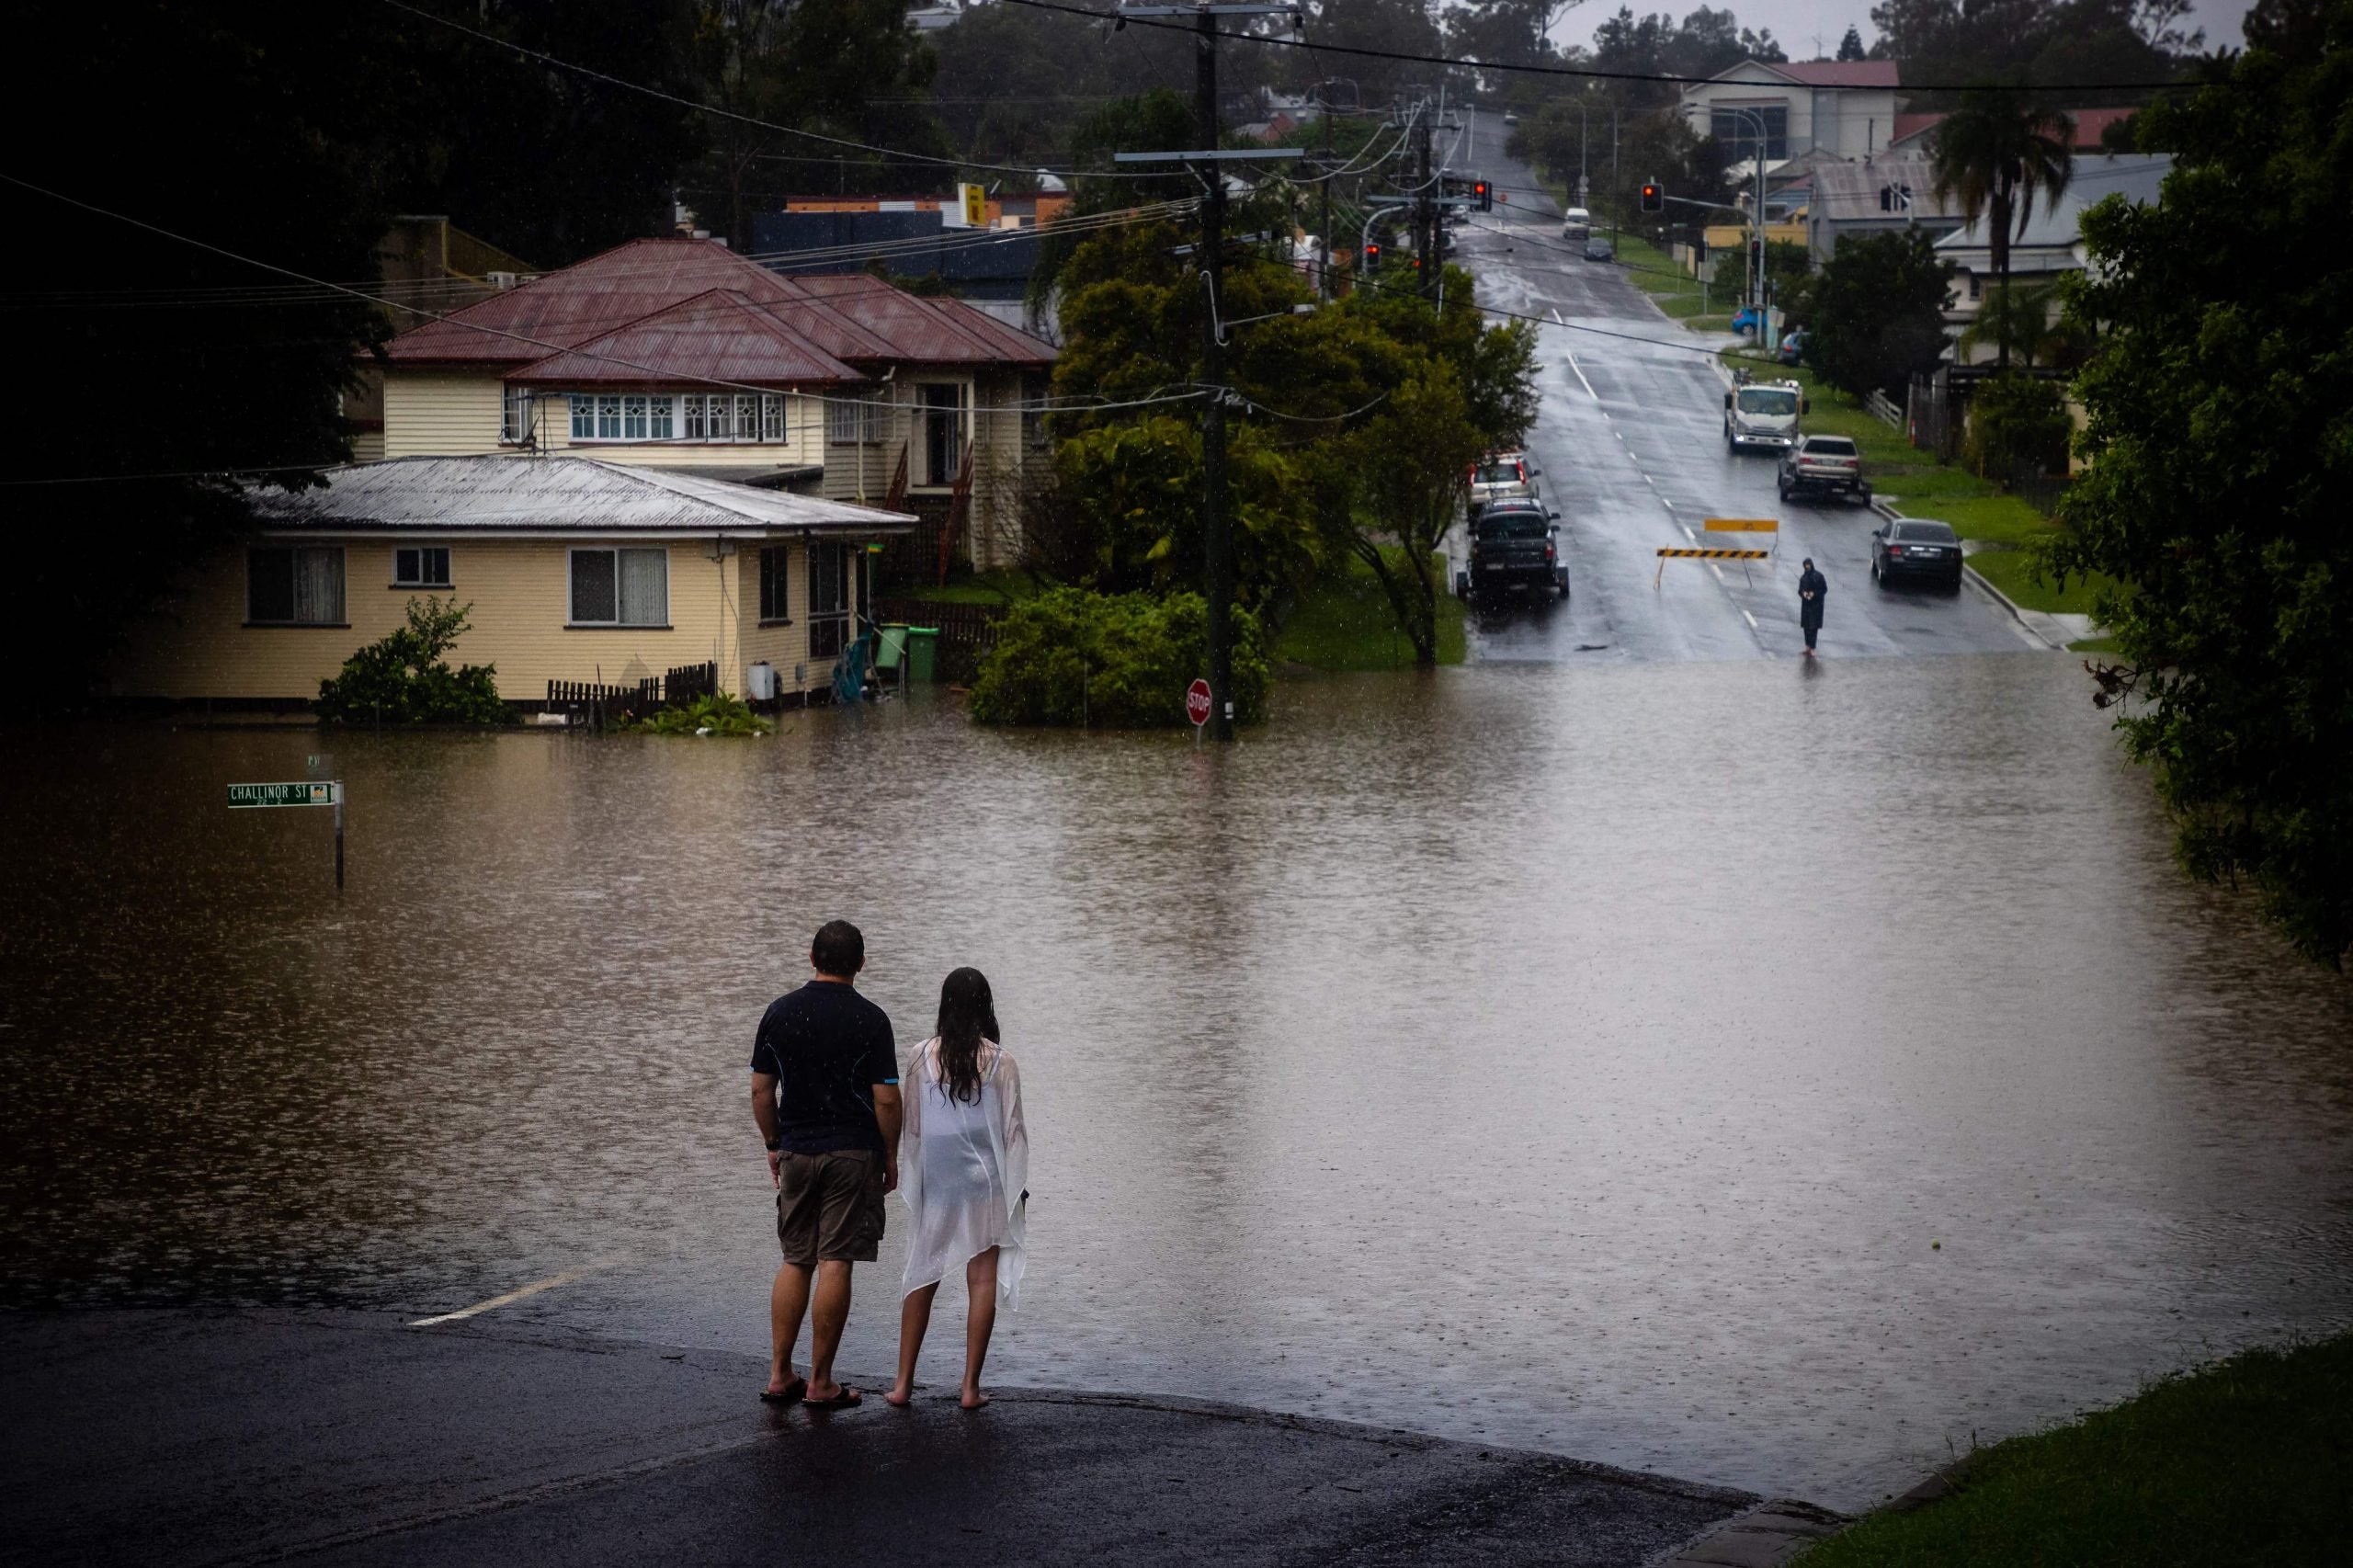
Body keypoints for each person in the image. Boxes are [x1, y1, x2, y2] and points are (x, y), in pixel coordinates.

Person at [750, 919, 901, 1409]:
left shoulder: (779, 1012)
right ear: (860, 964)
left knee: (796, 1258)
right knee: (836, 1258)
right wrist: (890, 1155)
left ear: (811, 958)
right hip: (852, 1152)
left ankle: (779, 1376)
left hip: (796, 1148)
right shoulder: (872, 1020)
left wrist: (774, 1142)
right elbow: (886, 1099)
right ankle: (820, 1382)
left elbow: (760, 1090)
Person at [885, 968, 1028, 1411]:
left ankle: (903, 1385)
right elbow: (1014, 1133)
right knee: (981, 1277)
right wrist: (1019, 1186)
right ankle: (969, 1389)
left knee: (922, 1271)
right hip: (985, 1178)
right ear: (985, 1006)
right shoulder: (1001, 1061)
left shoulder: (919, 1056)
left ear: (944, 1005)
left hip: (941, 1179)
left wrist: (915, 1178)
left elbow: (913, 1128)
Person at [1798, 557, 1827, 656]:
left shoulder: (1819, 577)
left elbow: (1824, 589)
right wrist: (1804, 594)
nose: (1807, 567)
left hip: (1816, 607)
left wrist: (1814, 594)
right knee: (1806, 627)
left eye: (1808, 565)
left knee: (1813, 628)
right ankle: (1808, 647)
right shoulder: (1803, 578)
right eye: (1805, 565)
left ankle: (1813, 648)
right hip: (1806, 606)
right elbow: (1800, 590)